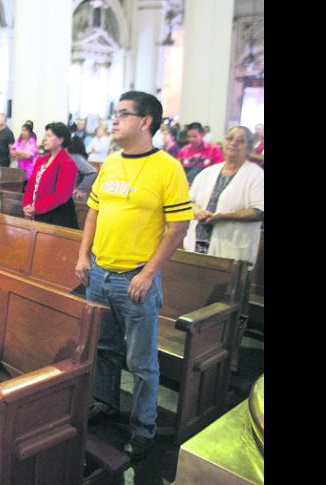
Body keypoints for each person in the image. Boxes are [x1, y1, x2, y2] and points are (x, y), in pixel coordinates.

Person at [75, 91, 193, 461]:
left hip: (135, 279)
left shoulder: (167, 167)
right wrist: (84, 256)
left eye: (123, 114)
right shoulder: (110, 163)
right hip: (100, 274)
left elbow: (178, 226)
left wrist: (149, 272)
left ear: (145, 122)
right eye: (115, 112)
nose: (114, 120)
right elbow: (93, 212)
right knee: (104, 349)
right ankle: (105, 402)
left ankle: (144, 428)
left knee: (142, 362)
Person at [182, 125, 264, 370]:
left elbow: (259, 210)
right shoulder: (209, 172)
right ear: (222, 142)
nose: (233, 143)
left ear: (249, 147)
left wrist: (222, 216)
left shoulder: (255, 175)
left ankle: (232, 355)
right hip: (200, 246)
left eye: (241, 140)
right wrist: (197, 211)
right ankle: (201, 352)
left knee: (235, 305)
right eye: (230, 138)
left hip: (233, 249)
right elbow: (190, 200)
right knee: (201, 303)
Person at [23, 122, 79, 228]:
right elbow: (30, 186)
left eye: (49, 136)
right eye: (45, 135)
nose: (44, 139)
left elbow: (62, 195)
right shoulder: (41, 160)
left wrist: (36, 207)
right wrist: (27, 206)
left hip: (56, 217)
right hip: (36, 213)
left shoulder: (67, 163)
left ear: (60, 140)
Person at [67, 136, 98, 203]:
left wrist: (81, 189)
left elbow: (93, 172)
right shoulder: (71, 156)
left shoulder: (75, 157)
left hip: (73, 197)